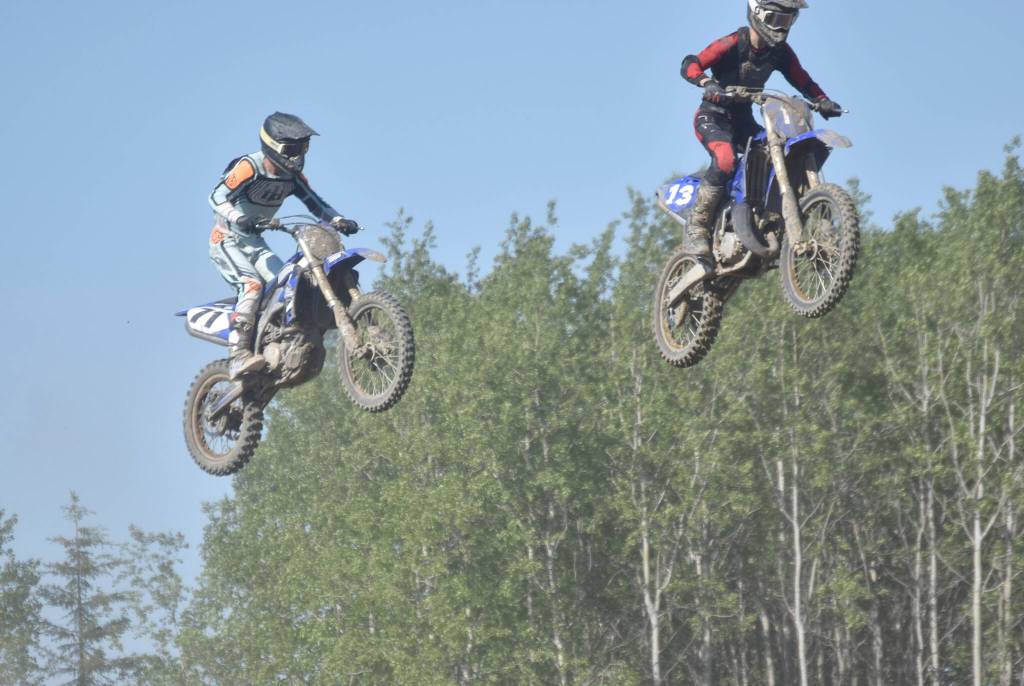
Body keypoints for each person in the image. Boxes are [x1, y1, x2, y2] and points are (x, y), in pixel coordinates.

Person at [679, 0, 842, 259]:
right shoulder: (733, 42)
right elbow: (690, 63)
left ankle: (767, 213)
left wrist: (822, 100)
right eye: (777, 20)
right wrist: (707, 83)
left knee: (779, 146)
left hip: (744, 120)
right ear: (758, 14)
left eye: (788, 21)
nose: (782, 28)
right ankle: (697, 227)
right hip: (714, 117)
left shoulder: (780, 53)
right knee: (725, 159)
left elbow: (803, 79)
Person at [208, 112, 360, 379]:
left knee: (287, 283)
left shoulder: (293, 178)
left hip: (254, 242)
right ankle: (238, 355)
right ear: (273, 146)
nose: (298, 155)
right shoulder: (249, 167)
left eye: (303, 147)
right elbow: (216, 196)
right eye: (292, 148)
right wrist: (239, 217)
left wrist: (338, 219)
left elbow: (316, 204)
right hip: (227, 239)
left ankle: (277, 340)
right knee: (252, 285)